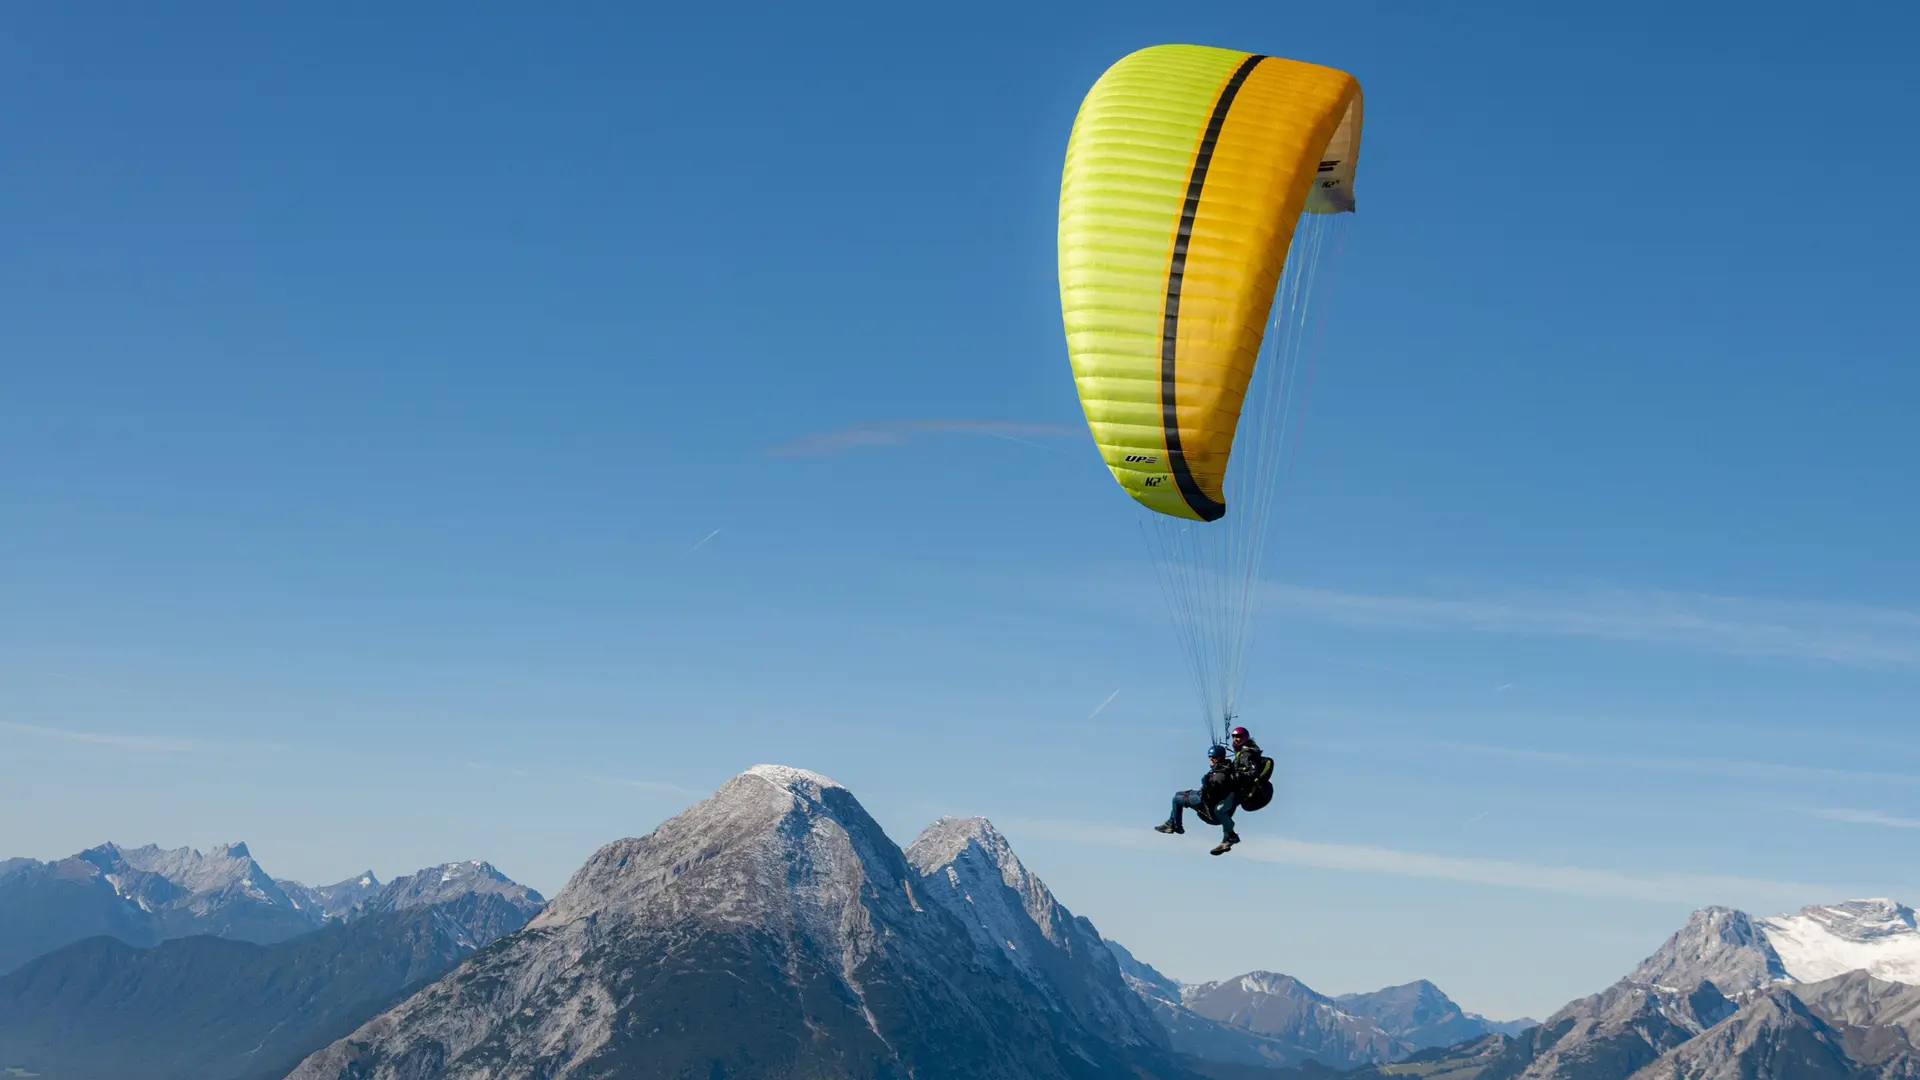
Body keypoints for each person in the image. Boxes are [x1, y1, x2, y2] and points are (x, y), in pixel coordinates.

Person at [1155, 744, 1242, 855]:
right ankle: (1172, 823)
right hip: (1206, 798)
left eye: (1213, 758)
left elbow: (1212, 795)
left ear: (1219, 758)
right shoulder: (1225, 768)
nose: (1210, 760)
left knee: (1176, 799)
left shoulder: (1220, 775)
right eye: (1210, 757)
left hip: (1206, 804)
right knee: (1179, 794)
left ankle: (1174, 826)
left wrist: (1207, 785)